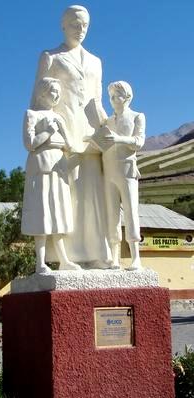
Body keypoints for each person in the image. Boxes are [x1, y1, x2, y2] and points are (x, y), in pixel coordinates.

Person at [30, 5, 112, 268]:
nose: (81, 30)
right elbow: (37, 101)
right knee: (65, 198)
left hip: (90, 136)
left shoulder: (96, 61)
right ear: (63, 25)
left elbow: (97, 101)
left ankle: (98, 253)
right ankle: (65, 258)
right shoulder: (50, 57)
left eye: (85, 25)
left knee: (92, 194)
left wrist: (106, 128)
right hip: (60, 138)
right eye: (75, 24)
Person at [21, 77, 81, 273]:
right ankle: (40, 263)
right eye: (53, 91)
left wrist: (62, 132)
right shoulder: (31, 115)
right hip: (41, 165)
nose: (56, 96)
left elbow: (69, 146)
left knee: (59, 212)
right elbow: (29, 144)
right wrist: (47, 132)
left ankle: (64, 259)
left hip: (59, 165)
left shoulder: (59, 117)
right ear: (43, 93)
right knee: (42, 213)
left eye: (58, 92)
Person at [93, 81, 146, 270]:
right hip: (109, 171)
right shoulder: (108, 121)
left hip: (127, 170)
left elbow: (139, 142)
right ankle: (114, 258)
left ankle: (135, 257)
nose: (114, 100)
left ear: (128, 97)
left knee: (131, 212)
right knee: (111, 214)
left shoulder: (137, 116)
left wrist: (118, 139)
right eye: (112, 97)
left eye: (118, 96)